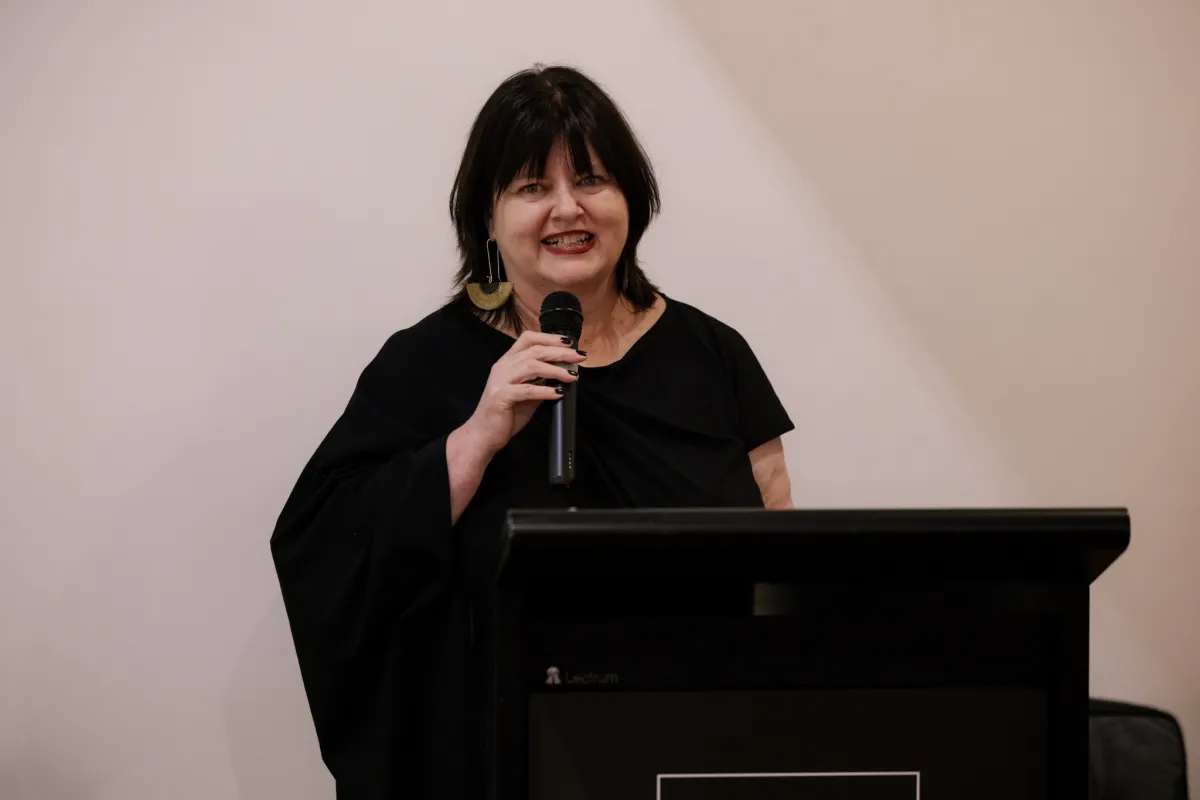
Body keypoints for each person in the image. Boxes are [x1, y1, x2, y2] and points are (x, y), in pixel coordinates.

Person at [269, 64, 794, 800]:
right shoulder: (425, 366)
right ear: (487, 218)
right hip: (487, 765)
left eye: (592, 181)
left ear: (631, 202)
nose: (567, 209)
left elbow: (783, 567)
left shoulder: (714, 357)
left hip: (686, 757)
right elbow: (322, 552)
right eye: (531, 188)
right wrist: (477, 436)